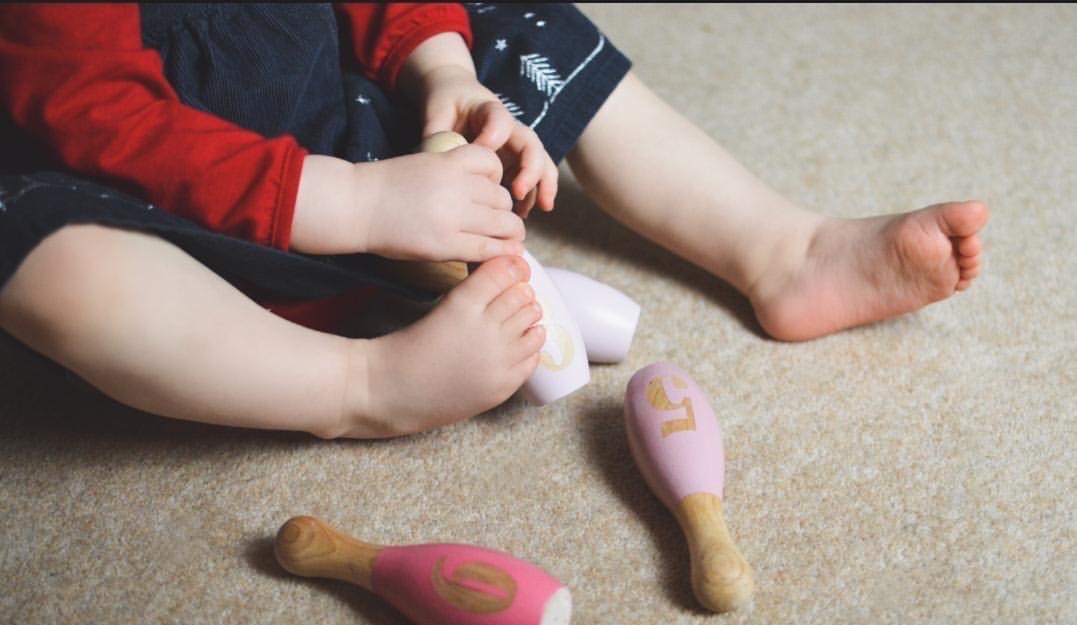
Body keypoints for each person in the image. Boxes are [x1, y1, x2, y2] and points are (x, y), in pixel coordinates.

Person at [0, 3, 986, 439]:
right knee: (47, 266)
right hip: (191, 239)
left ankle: (781, 248)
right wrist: (354, 204)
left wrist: (445, 74)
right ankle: (359, 385)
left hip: (362, 130)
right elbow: (96, 115)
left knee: (508, 14)